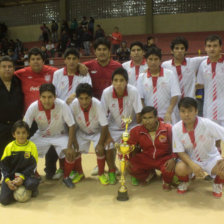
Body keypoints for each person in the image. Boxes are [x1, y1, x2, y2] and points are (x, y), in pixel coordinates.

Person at [14, 47, 58, 179]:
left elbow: (67, 71)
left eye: (38, 59)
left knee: (52, 145)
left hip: (49, 118)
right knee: (28, 146)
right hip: (30, 119)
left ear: (43, 60)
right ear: (28, 61)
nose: (36, 61)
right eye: (32, 59)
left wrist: (80, 66)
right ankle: (31, 171)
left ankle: (50, 171)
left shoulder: (53, 72)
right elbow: (6, 73)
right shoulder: (21, 73)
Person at [23, 83, 76, 188]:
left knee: (71, 152)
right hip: (42, 135)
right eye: (44, 97)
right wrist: (23, 144)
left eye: (50, 97)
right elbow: (24, 126)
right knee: (26, 153)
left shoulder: (61, 105)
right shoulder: (33, 107)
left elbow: (72, 125)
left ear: (55, 97)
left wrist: (69, 146)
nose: (47, 100)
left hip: (60, 135)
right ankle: (35, 175)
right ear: (39, 97)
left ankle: (66, 177)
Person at [173, 97, 224, 198]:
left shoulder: (207, 124)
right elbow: (180, 152)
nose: (186, 115)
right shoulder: (176, 128)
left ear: (196, 111)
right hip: (192, 160)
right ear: (179, 112)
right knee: (179, 169)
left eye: (190, 111)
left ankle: (217, 183)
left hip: (211, 159)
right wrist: (193, 165)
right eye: (183, 111)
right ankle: (186, 181)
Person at [68, 83, 115, 185]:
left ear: (91, 97)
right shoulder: (73, 105)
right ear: (77, 98)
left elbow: (104, 125)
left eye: (87, 98)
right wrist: (74, 142)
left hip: (97, 131)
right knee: (74, 149)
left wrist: (100, 143)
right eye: (81, 98)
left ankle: (101, 174)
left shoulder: (97, 104)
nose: (84, 102)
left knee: (101, 149)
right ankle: (80, 173)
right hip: (82, 131)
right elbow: (71, 124)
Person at [101, 67, 143, 179]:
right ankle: (112, 171)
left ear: (127, 82)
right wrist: (108, 136)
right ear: (112, 82)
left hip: (131, 126)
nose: (118, 83)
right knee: (108, 146)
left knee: (135, 146)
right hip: (113, 127)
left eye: (121, 80)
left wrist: (137, 134)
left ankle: (134, 171)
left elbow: (139, 114)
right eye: (115, 80)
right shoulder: (106, 93)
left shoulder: (133, 91)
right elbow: (103, 117)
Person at [127, 106, 176, 189]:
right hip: (147, 157)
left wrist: (173, 158)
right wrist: (126, 159)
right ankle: (150, 174)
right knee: (130, 166)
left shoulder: (168, 128)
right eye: (144, 118)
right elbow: (127, 146)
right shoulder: (136, 131)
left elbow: (176, 146)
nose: (147, 121)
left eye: (150, 117)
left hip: (164, 158)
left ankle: (165, 178)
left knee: (171, 171)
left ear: (156, 118)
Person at [162, 36, 207, 123]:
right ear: (172, 51)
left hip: (190, 102)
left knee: (192, 126)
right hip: (173, 104)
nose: (179, 51)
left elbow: (210, 56)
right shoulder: (165, 65)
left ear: (186, 51)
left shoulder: (193, 62)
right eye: (177, 48)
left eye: (182, 48)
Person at [137, 46, 181, 123]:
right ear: (146, 61)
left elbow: (175, 95)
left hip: (167, 115)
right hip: (149, 117)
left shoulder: (170, 74)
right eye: (150, 59)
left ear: (160, 60)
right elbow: (141, 99)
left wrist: (168, 112)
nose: (153, 62)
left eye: (156, 59)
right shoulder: (141, 77)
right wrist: (145, 115)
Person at [0, 120, 39, 206]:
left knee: (31, 184)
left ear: (28, 134)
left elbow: (33, 166)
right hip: (12, 176)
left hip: (27, 175)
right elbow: (3, 166)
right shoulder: (9, 147)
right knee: (4, 201)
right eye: (18, 133)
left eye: (23, 132)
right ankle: (15, 189)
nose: (21, 135)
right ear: (14, 134)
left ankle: (32, 189)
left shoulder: (32, 146)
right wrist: (7, 180)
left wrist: (22, 177)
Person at [0, 56, 24, 181]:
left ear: (14, 69)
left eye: (10, 67)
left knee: (16, 153)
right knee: (1, 153)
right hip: (1, 125)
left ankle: (16, 176)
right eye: (4, 67)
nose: (7, 69)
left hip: (16, 126)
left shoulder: (18, 81)